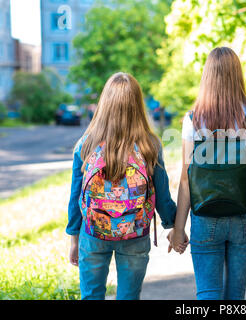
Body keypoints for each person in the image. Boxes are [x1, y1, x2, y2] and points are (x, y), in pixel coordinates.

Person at [168, 47, 246, 300]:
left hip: (204, 218)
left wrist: (179, 228)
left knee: (208, 295)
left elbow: (186, 177)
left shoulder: (193, 119)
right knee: (236, 298)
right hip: (242, 218)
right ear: (238, 75)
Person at [66, 72, 177, 300]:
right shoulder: (149, 144)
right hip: (135, 233)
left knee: (91, 296)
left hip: (93, 232)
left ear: (104, 104)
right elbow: (163, 195)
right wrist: (173, 225)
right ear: (137, 105)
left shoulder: (86, 145)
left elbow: (75, 196)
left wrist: (74, 238)